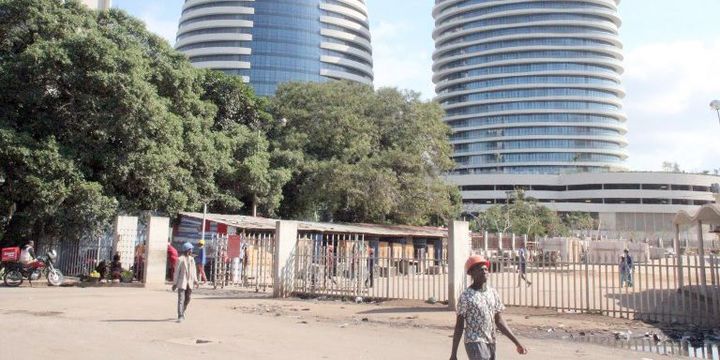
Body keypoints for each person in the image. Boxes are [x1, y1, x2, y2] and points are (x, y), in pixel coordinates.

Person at [450, 255, 528, 360]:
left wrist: (517, 343)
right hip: (474, 340)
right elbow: (459, 326)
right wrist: (453, 353)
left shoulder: (493, 293)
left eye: (486, 269)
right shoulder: (466, 296)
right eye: (480, 269)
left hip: (491, 340)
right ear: (472, 273)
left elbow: (499, 322)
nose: (484, 271)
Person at [172, 242, 198, 323]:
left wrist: (196, 281)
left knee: (188, 298)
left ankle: (182, 311)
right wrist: (175, 283)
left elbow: (194, 271)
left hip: (189, 283)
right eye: (191, 249)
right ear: (187, 250)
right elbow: (176, 272)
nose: (192, 250)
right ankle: (180, 315)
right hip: (182, 283)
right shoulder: (180, 259)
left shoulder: (192, 259)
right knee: (181, 299)